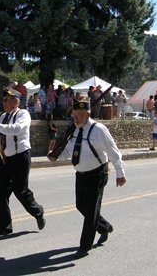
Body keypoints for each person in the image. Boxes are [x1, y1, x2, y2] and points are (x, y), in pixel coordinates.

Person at [47, 99, 126, 259]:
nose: (75, 118)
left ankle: (85, 246)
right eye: (74, 115)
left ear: (88, 114)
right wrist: (57, 156)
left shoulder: (99, 130)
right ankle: (104, 227)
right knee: (80, 206)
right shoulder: (75, 130)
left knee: (90, 210)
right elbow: (70, 150)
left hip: (97, 174)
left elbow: (113, 152)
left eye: (78, 116)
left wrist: (120, 173)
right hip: (81, 174)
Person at [0, 89, 46, 235]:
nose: (3, 102)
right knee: (0, 192)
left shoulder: (23, 114)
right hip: (4, 158)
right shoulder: (3, 117)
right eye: (3, 100)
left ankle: (38, 211)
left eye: (7, 100)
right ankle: (5, 226)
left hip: (19, 157)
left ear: (16, 101)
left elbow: (16, 129)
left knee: (20, 191)